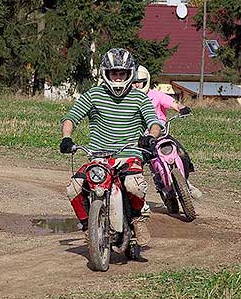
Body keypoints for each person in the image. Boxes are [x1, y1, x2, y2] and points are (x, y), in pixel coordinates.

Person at [59, 48, 163, 247]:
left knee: (133, 185)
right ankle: (88, 227)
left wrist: (150, 137)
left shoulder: (139, 98)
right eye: (114, 73)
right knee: (74, 188)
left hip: (129, 154)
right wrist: (66, 138)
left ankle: (137, 218)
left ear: (129, 73)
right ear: (105, 73)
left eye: (121, 73)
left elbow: (154, 122)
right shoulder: (93, 95)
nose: (117, 78)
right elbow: (71, 117)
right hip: (98, 156)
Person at [132, 65, 202, 200]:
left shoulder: (156, 95)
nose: (136, 85)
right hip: (141, 140)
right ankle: (137, 198)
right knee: (135, 165)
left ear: (146, 81)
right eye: (133, 82)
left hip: (161, 136)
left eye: (139, 81)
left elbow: (173, 103)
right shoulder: (129, 99)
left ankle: (186, 183)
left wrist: (182, 108)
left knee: (181, 153)